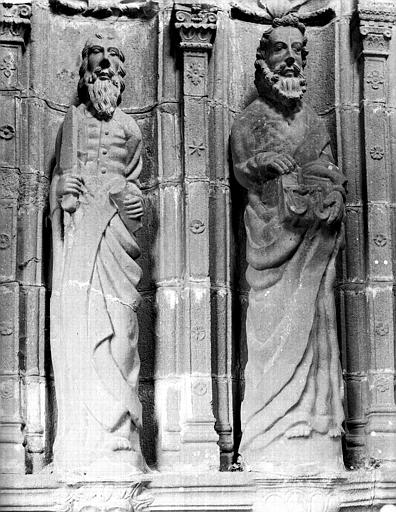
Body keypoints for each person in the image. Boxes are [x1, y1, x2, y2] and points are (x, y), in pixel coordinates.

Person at [231, 8, 346, 473]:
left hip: (312, 244)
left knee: (317, 329)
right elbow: (242, 169)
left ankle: (311, 425)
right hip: (271, 241)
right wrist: (264, 165)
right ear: (263, 59)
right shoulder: (251, 119)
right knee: (270, 328)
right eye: (282, 49)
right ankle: (267, 429)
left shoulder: (315, 121)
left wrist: (332, 190)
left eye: (300, 51)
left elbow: (330, 167)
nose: (292, 59)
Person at [49, 33, 146, 475]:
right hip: (80, 243)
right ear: (86, 70)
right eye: (97, 60)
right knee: (80, 327)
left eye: (112, 60)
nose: (105, 66)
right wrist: (60, 192)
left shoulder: (131, 128)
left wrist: (136, 204)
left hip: (116, 246)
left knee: (122, 332)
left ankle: (122, 436)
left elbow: (141, 192)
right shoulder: (70, 122)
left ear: (121, 73)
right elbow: (59, 185)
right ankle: (82, 437)